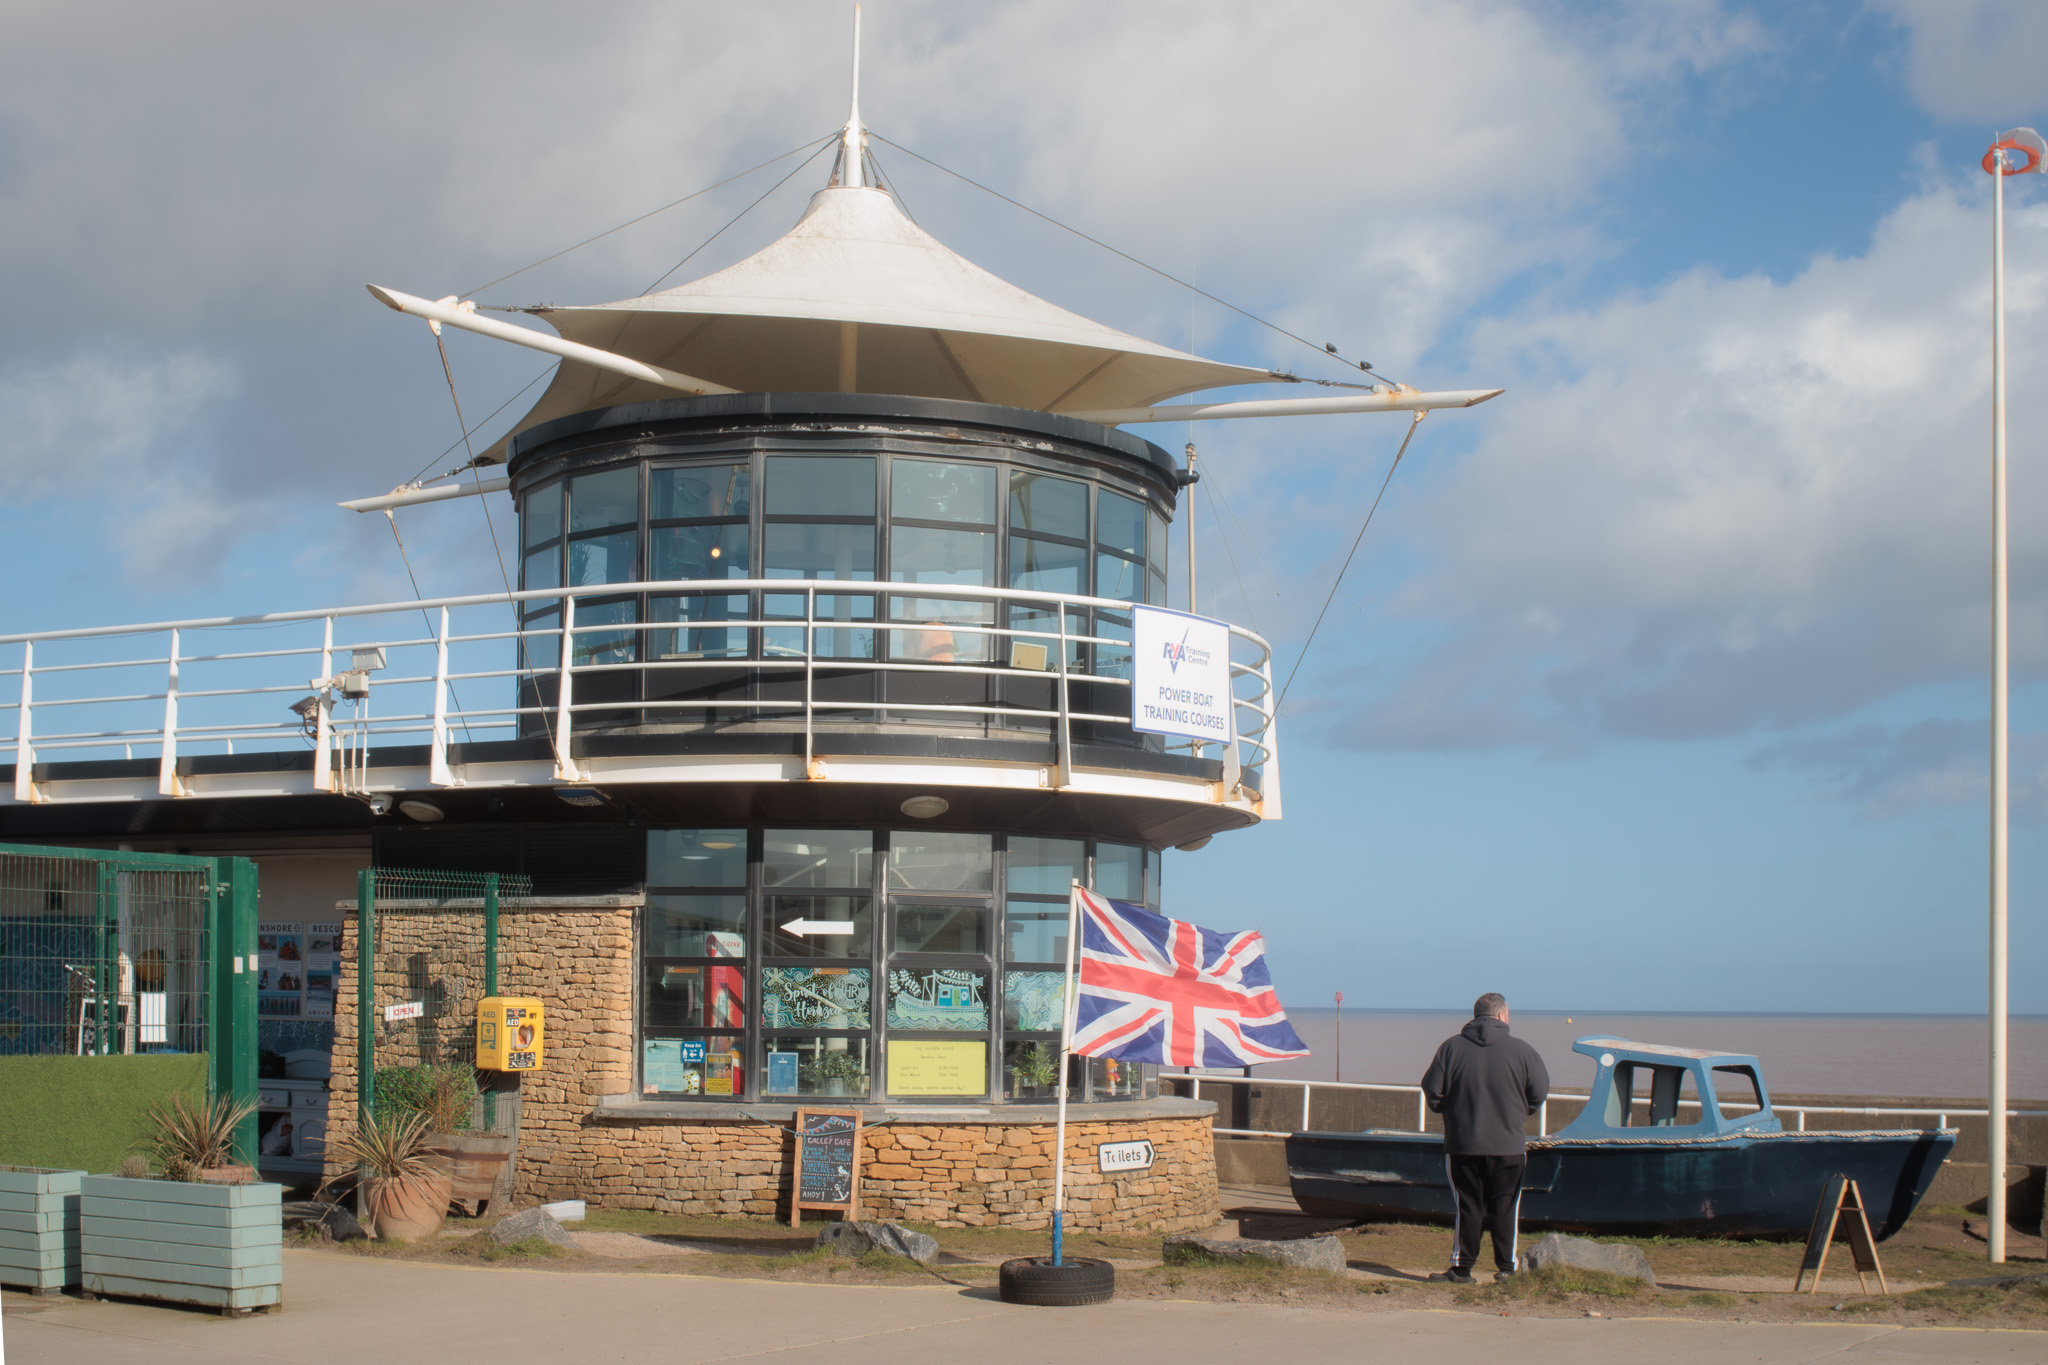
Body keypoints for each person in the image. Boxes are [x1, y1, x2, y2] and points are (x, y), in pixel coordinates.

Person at [1420, 992, 1550, 1283]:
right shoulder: (1524, 1051)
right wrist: (1518, 1114)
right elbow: (1539, 1092)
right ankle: (1507, 1268)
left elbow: (1433, 1090)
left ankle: (1461, 1269)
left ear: (1476, 1016)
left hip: (1463, 1145)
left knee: (1468, 1206)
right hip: (1508, 1146)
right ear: (1502, 1015)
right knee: (1505, 1206)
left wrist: (1451, 1113)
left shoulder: (1450, 1048)